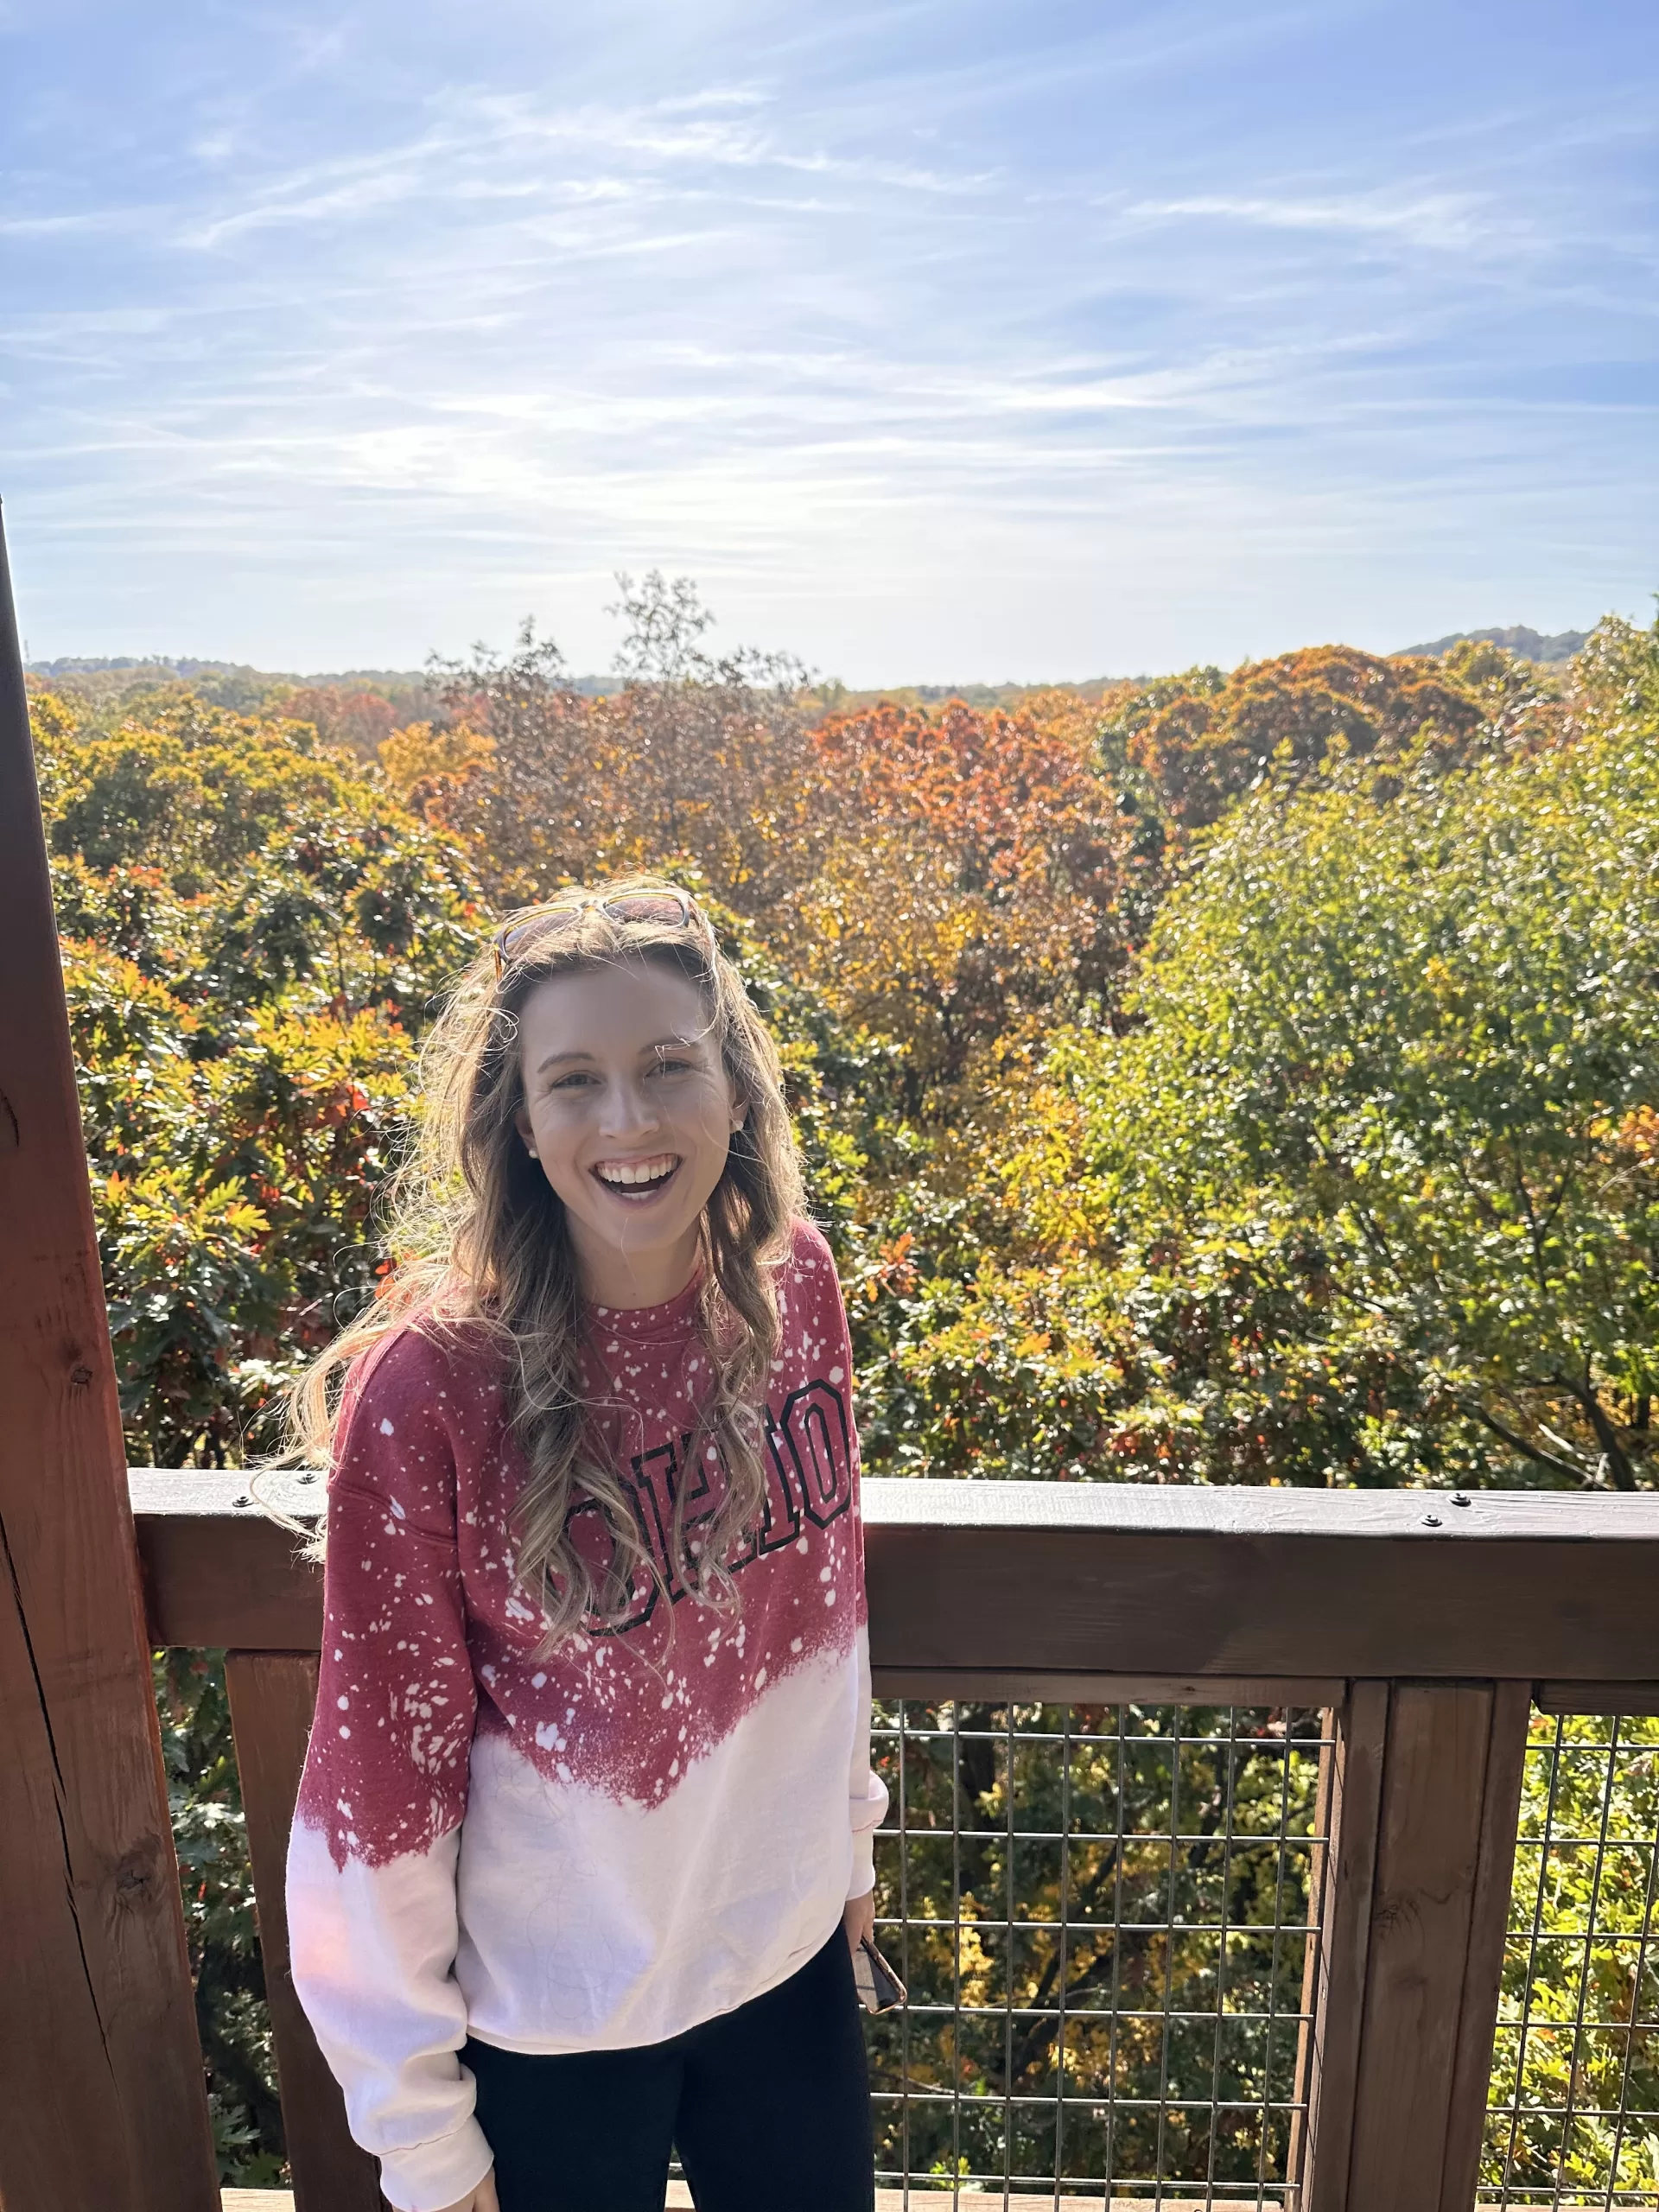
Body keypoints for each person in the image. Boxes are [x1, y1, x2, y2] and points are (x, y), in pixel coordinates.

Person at [282, 880, 888, 2212]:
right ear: (520, 1120)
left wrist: (849, 1849)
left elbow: (829, 1605)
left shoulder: (794, 1282)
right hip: (551, 2027)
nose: (628, 1121)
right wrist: (421, 2134)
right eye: (575, 1081)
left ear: (735, 1087)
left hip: (783, 1961)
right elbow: (378, 1782)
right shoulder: (432, 1392)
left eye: (669, 1065)